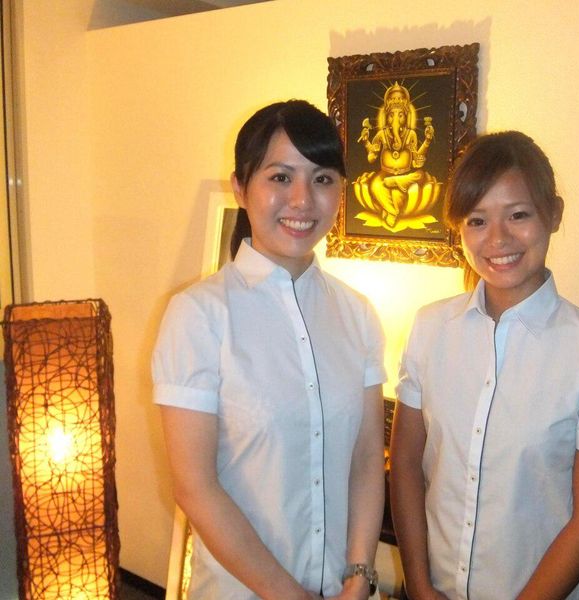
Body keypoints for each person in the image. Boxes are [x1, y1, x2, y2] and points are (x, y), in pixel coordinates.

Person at [390, 131, 579, 600]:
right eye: (477, 220)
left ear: (554, 214)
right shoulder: (429, 328)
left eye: (518, 215)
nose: (498, 238)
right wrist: (420, 587)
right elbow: (405, 464)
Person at [152, 100, 386, 600]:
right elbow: (195, 486)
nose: (302, 200)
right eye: (280, 177)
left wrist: (360, 574)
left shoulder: (357, 313)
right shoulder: (198, 315)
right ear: (241, 187)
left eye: (322, 179)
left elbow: (367, 456)